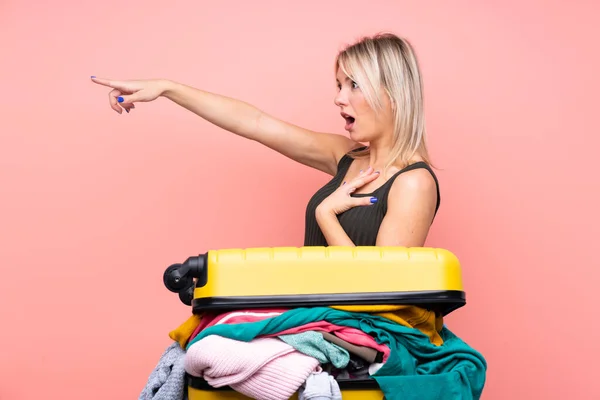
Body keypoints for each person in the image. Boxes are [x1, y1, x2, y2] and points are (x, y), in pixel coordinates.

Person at [91, 32, 440, 248]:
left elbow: (384, 293)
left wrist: (327, 215)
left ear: (392, 94)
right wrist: (168, 88)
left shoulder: (413, 183)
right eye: (339, 85)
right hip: (313, 321)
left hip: (359, 339)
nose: (338, 98)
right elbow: (256, 123)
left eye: (354, 85)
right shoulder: (346, 157)